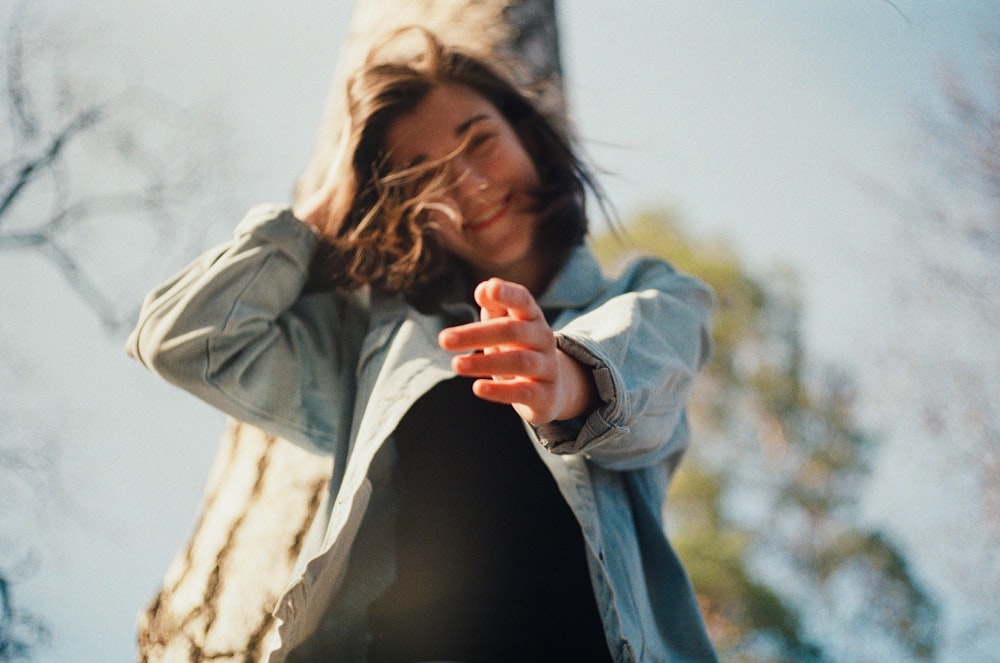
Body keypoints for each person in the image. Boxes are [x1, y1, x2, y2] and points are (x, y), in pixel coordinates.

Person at [127, 26, 717, 663]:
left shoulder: (647, 293)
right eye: (420, 177)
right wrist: (319, 211)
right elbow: (182, 337)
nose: (468, 184)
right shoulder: (373, 344)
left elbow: (655, 360)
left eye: (481, 143)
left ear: (530, 139)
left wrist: (568, 378)